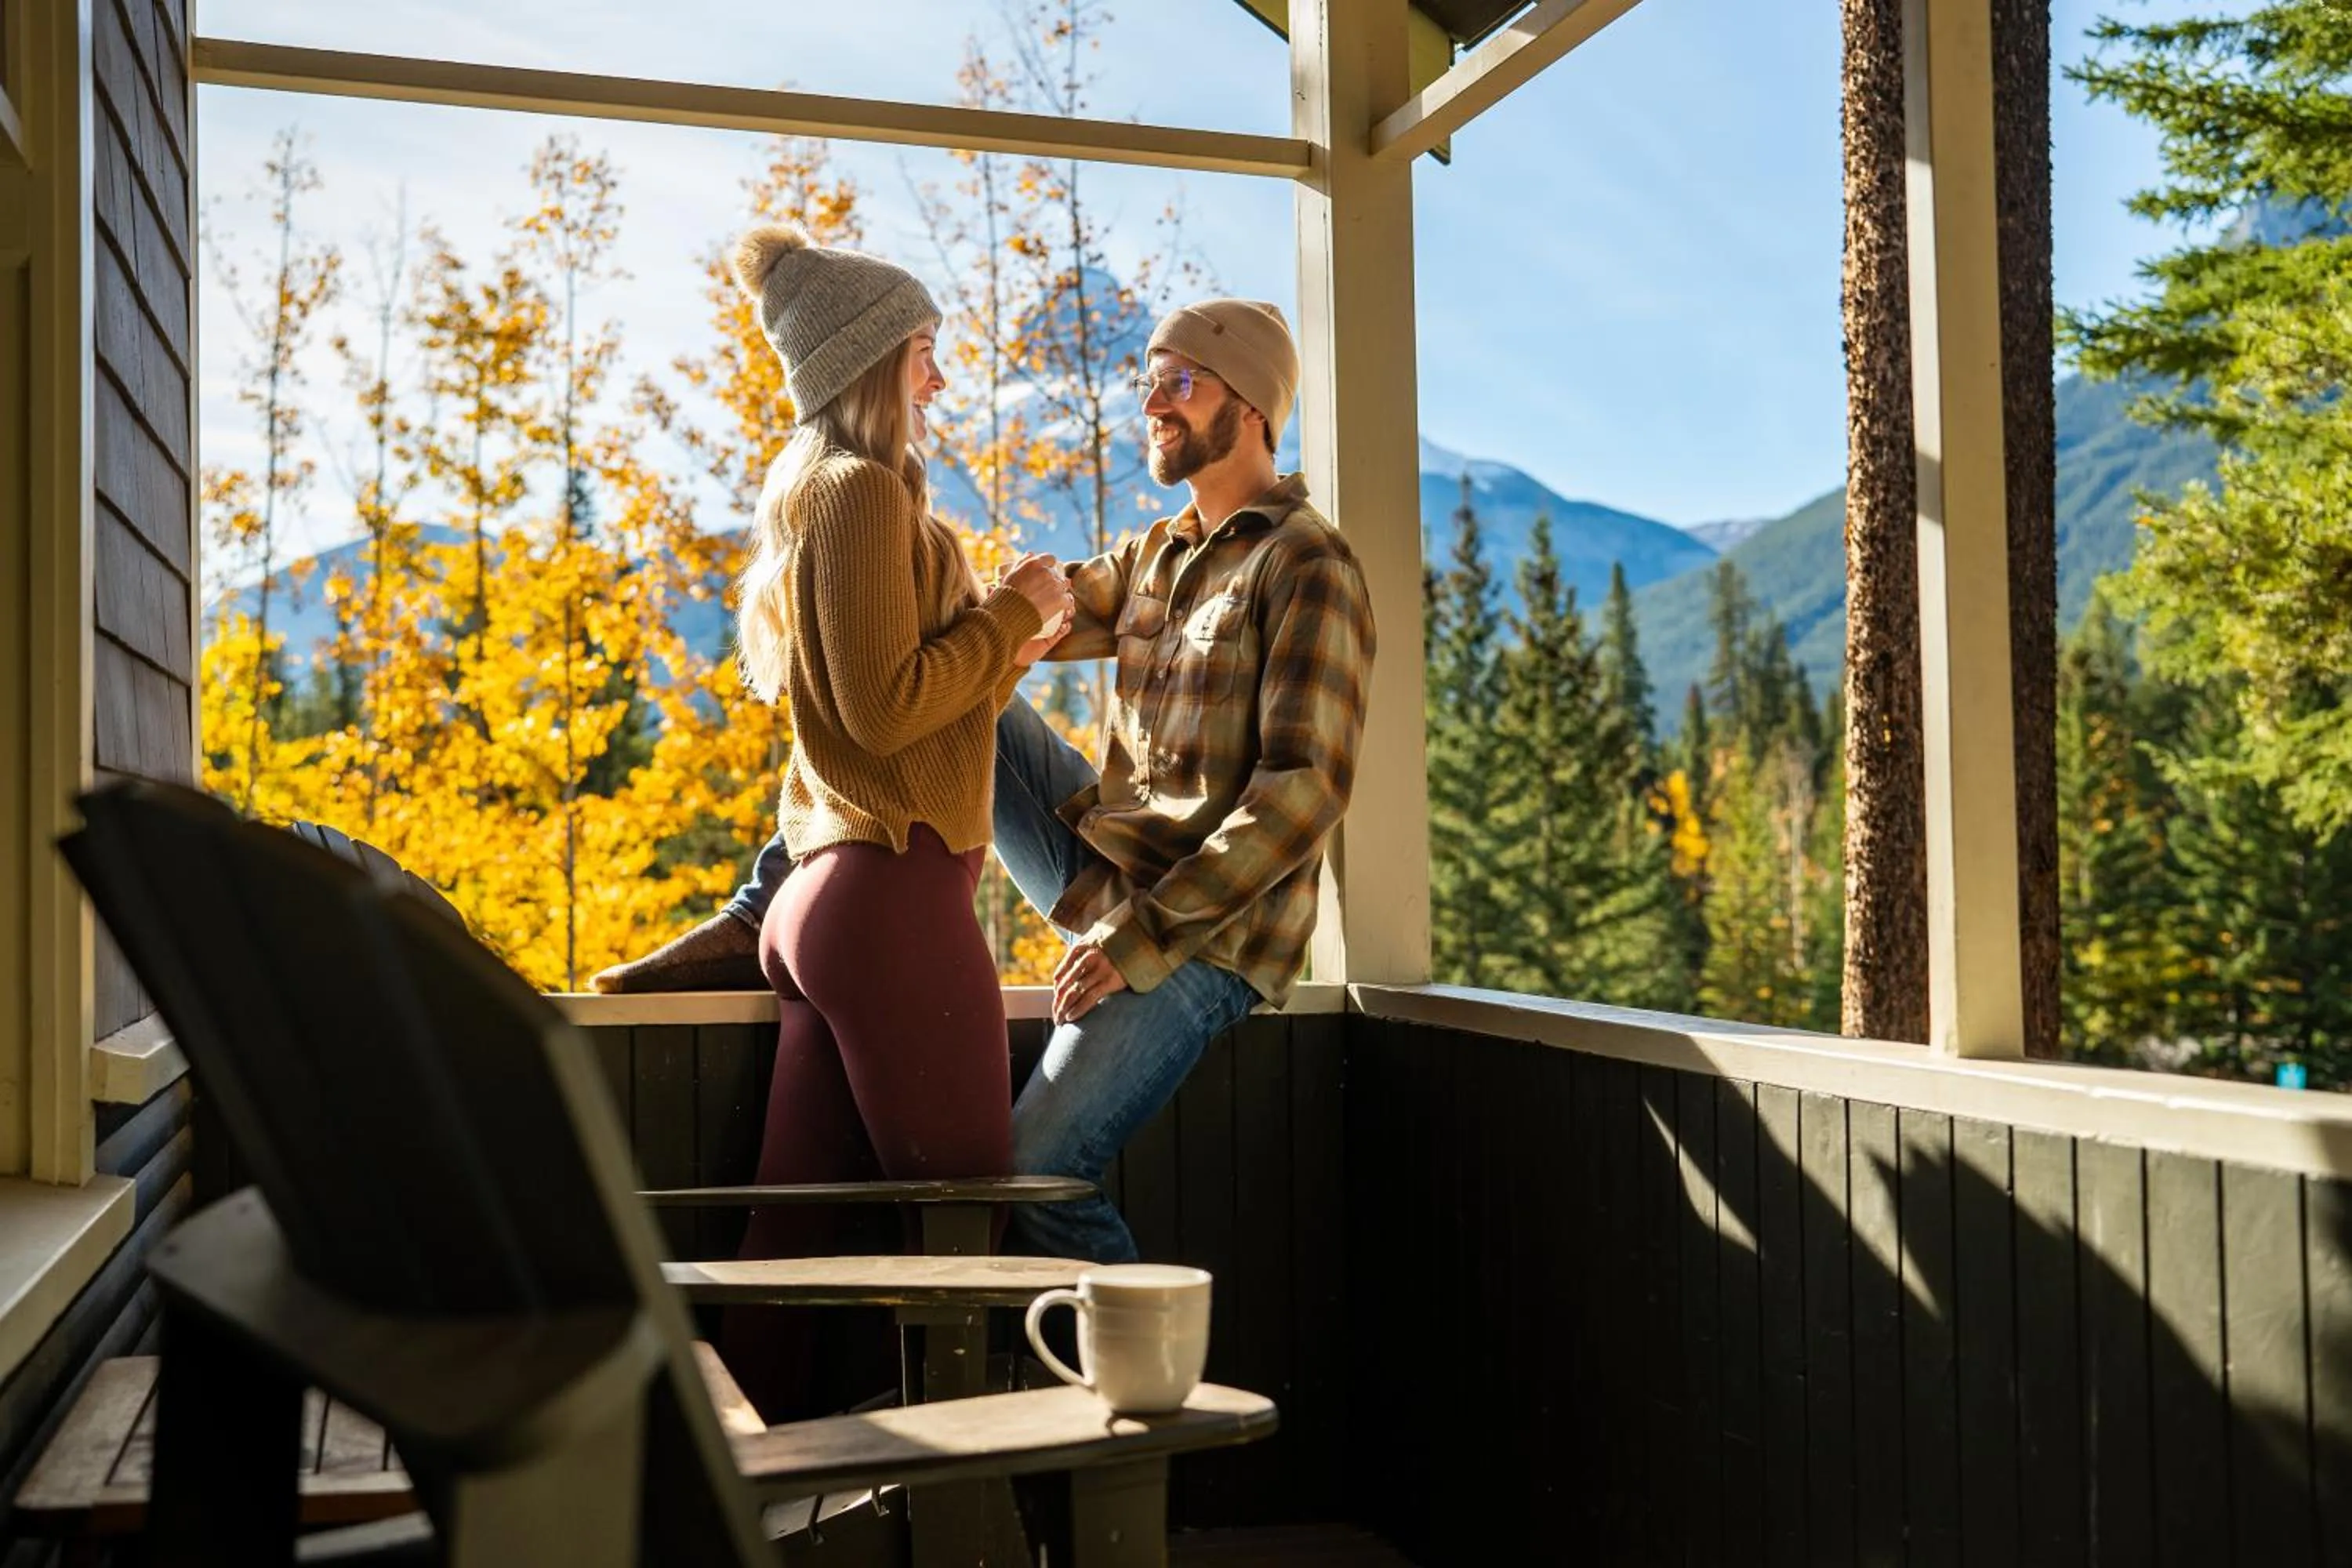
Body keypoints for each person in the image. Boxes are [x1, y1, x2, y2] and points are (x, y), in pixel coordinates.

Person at [601, 297, 1375, 1269]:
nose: (1153, 403)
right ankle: (772, 900)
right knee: (970, 680)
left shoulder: (1311, 565)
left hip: (1204, 936)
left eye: (1179, 381)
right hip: (1100, 877)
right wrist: (862, 539)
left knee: (1041, 1169)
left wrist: (1141, 936)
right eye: (1148, 381)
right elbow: (978, 635)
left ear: (1255, 406)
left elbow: (1301, 793)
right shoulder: (1154, 556)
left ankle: (1149, 1397)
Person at [710, 221, 1072, 1418]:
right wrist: (1011, 617)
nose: (940, 376)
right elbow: (884, 712)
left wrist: (1011, 633)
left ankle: (734, 1491)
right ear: (871, 360)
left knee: (790, 1240)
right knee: (969, 1220)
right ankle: (963, 1514)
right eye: (925, 349)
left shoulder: (833, 499)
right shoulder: (859, 495)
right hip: (892, 900)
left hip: (836, 900)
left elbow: (915, 707)